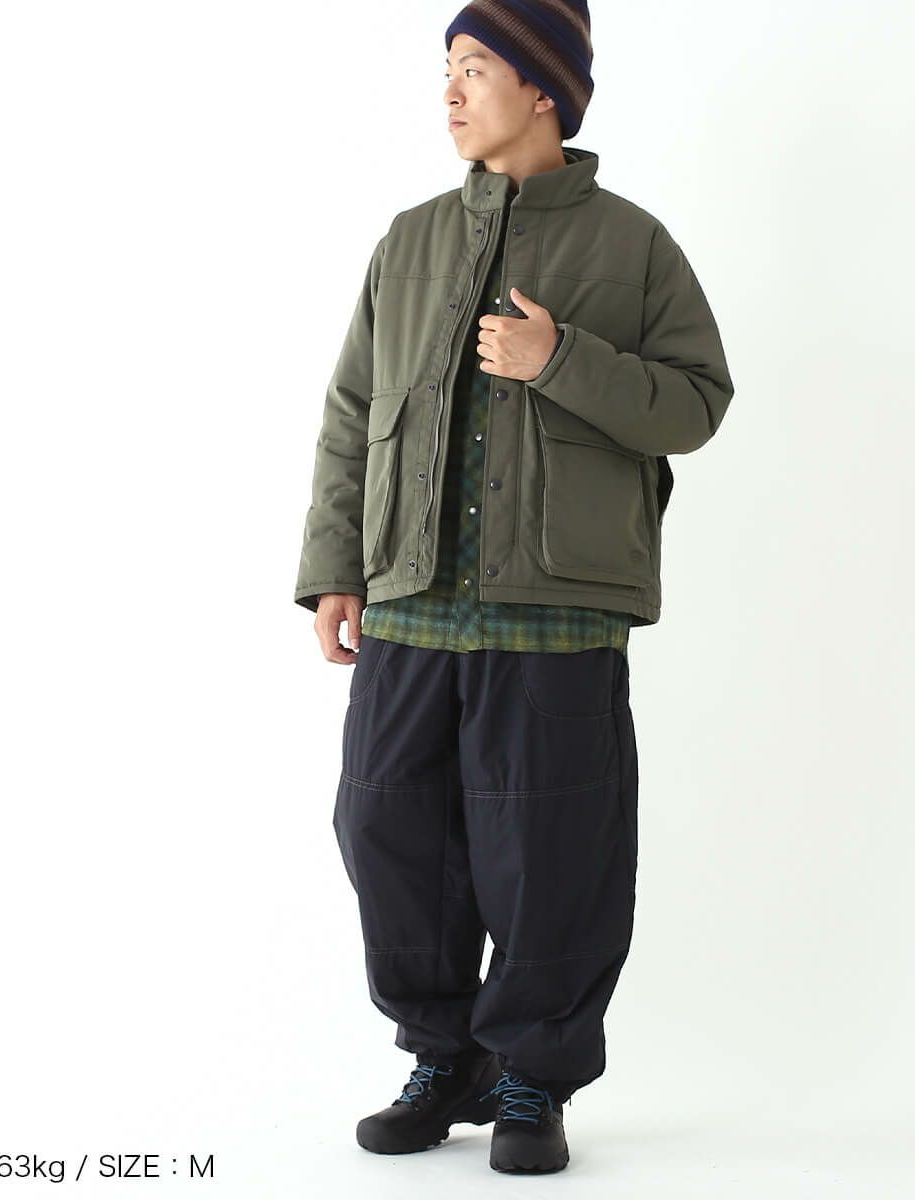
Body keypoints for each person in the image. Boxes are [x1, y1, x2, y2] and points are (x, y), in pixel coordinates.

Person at [293, 0, 734, 1176]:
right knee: (386, 826)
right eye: (446, 67)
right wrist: (333, 569)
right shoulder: (408, 242)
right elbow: (351, 414)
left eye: (475, 68)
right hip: (410, 599)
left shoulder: (634, 247)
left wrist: (561, 361)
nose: (450, 92)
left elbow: (697, 402)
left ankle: (534, 1075)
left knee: (549, 850)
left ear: (544, 88)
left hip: (557, 608)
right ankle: (445, 1058)